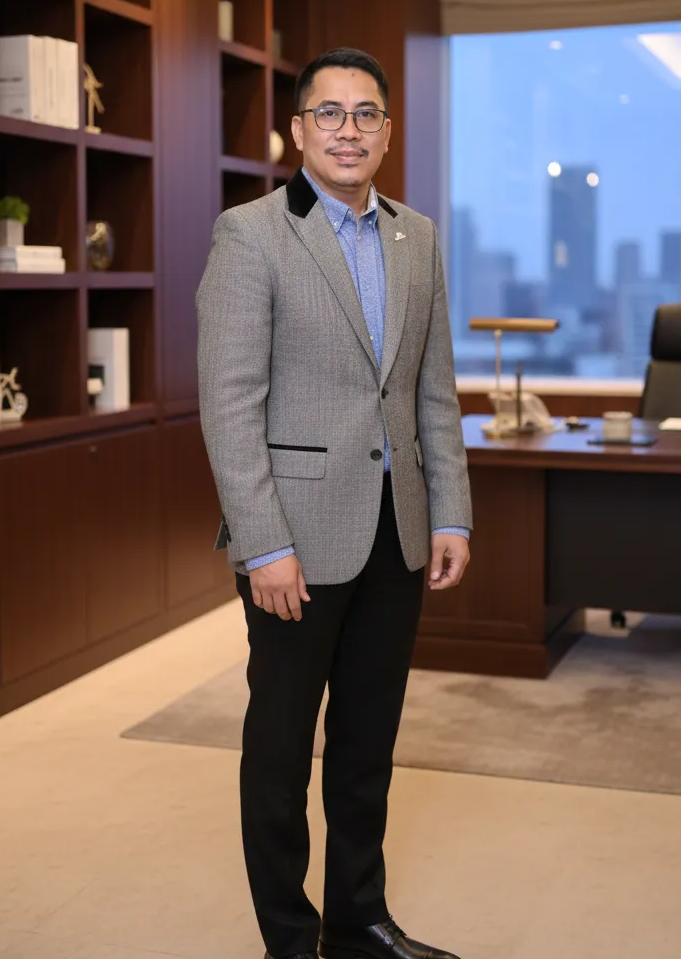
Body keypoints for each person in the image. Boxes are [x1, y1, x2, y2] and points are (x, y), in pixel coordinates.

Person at [197, 47, 472, 959]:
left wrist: (451, 514)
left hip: (396, 533)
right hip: (297, 544)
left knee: (366, 748)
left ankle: (360, 923)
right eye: (329, 113)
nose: (348, 130)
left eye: (366, 115)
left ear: (388, 133)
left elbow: (434, 391)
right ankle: (289, 940)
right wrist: (262, 543)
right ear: (297, 131)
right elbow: (230, 406)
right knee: (279, 756)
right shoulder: (251, 234)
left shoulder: (420, 236)